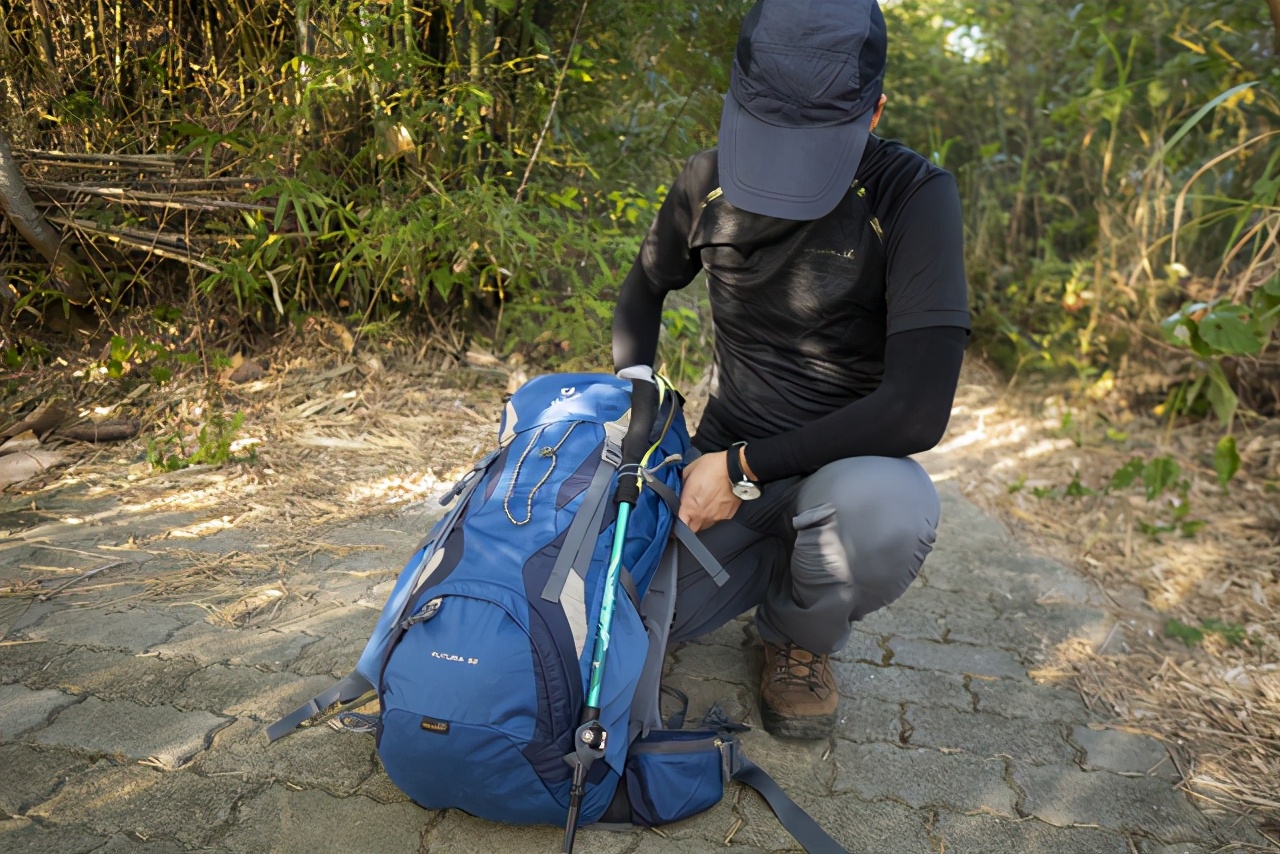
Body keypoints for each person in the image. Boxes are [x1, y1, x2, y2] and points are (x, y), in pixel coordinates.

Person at [611, 0, 970, 739]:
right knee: (608, 627)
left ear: (874, 114)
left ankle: (796, 632)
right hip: (720, 476)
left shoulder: (913, 196)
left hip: (840, 474)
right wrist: (638, 396)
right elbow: (644, 287)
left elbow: (917, 411)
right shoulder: (704, 183)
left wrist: (745, 465)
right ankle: (770, 568)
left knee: (887, 511)